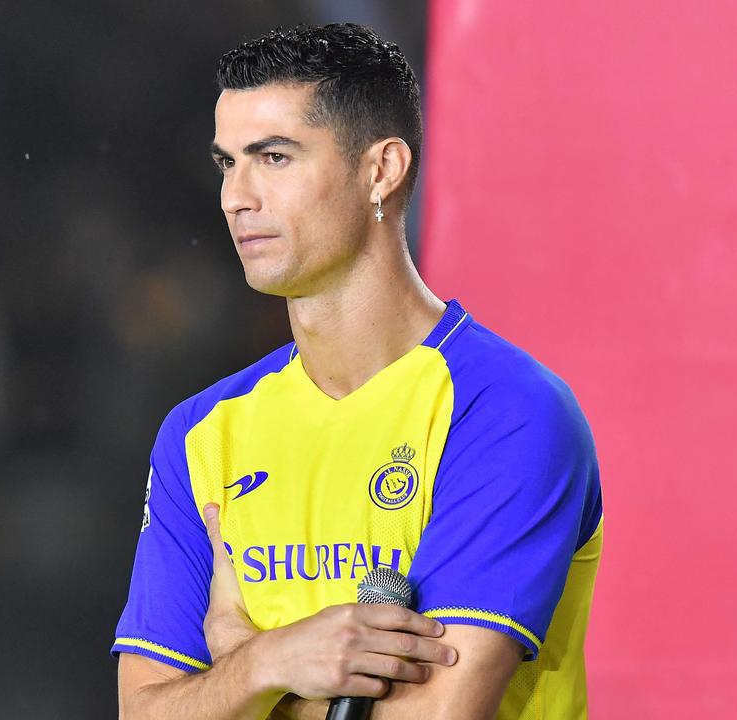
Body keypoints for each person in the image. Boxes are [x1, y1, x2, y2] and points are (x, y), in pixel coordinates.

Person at [112, 23, 603, 720]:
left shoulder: (506, 411)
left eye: (273, 157)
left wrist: (240, 672)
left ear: (382, 169)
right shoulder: (199, 431)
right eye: (227, 163)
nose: (234, 197)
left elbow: (435, 716)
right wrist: (270, 660)